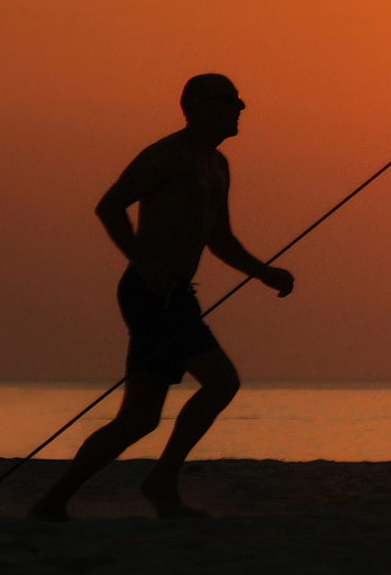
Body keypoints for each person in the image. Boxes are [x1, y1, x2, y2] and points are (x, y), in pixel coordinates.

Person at [30, 74, 295, 521]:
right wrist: (141, 260)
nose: (242, 107)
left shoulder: (218, 165)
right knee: (221, 381)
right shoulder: (166, 156)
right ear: (200, 106)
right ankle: (161, 481)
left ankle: (55, 500)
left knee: (138, 420)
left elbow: (221, 239)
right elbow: (110, 206)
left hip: (177, 296)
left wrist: (263, 273)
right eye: (230, 99)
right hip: (149, 293)